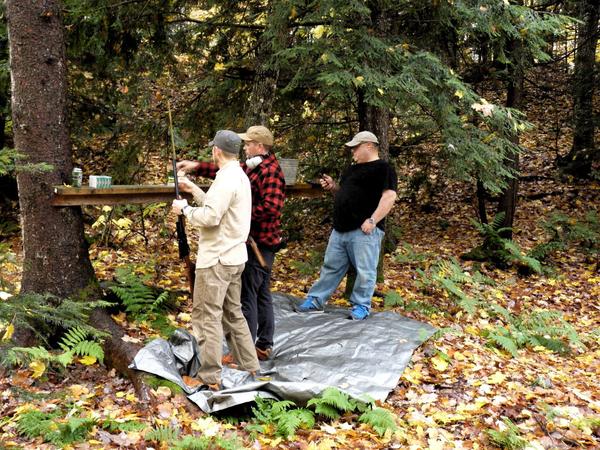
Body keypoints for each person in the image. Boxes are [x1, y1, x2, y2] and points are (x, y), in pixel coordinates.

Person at [177, 125, 285, 361]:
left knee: (250, 298)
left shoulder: (270, 171)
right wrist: (196, 170)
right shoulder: (246, 169)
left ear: (260, 146)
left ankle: (255, 350)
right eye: (243, 143)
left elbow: (271, 208)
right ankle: (254, 355)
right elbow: (222, 173)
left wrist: (238, 214)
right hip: (242, 242)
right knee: (255, 296)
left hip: (260, 243)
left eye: (249, 143)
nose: (245, 146)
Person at [172, 130, 260, 390]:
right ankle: (250, 367)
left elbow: (210, 217)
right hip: (234, 258)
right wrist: (194, 189)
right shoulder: (238, 175)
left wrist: (184, 209)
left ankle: (210, 377)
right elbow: (218, 206)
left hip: (217, 260)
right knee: (233, 314)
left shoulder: (227, 179)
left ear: (216, 151)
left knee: (205, 317)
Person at [297, 131, 397, 320]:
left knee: (365, 270)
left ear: (369, 145)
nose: (352, 151)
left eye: (355, 147)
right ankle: (315, 300)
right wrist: (333, 187)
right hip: (340, 228)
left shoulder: (384, 168)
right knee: (331, 267)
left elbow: (389, 196)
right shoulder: (351, 170)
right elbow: (345, 195)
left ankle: (361, 306)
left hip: (364, 230)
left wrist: (372, 220)